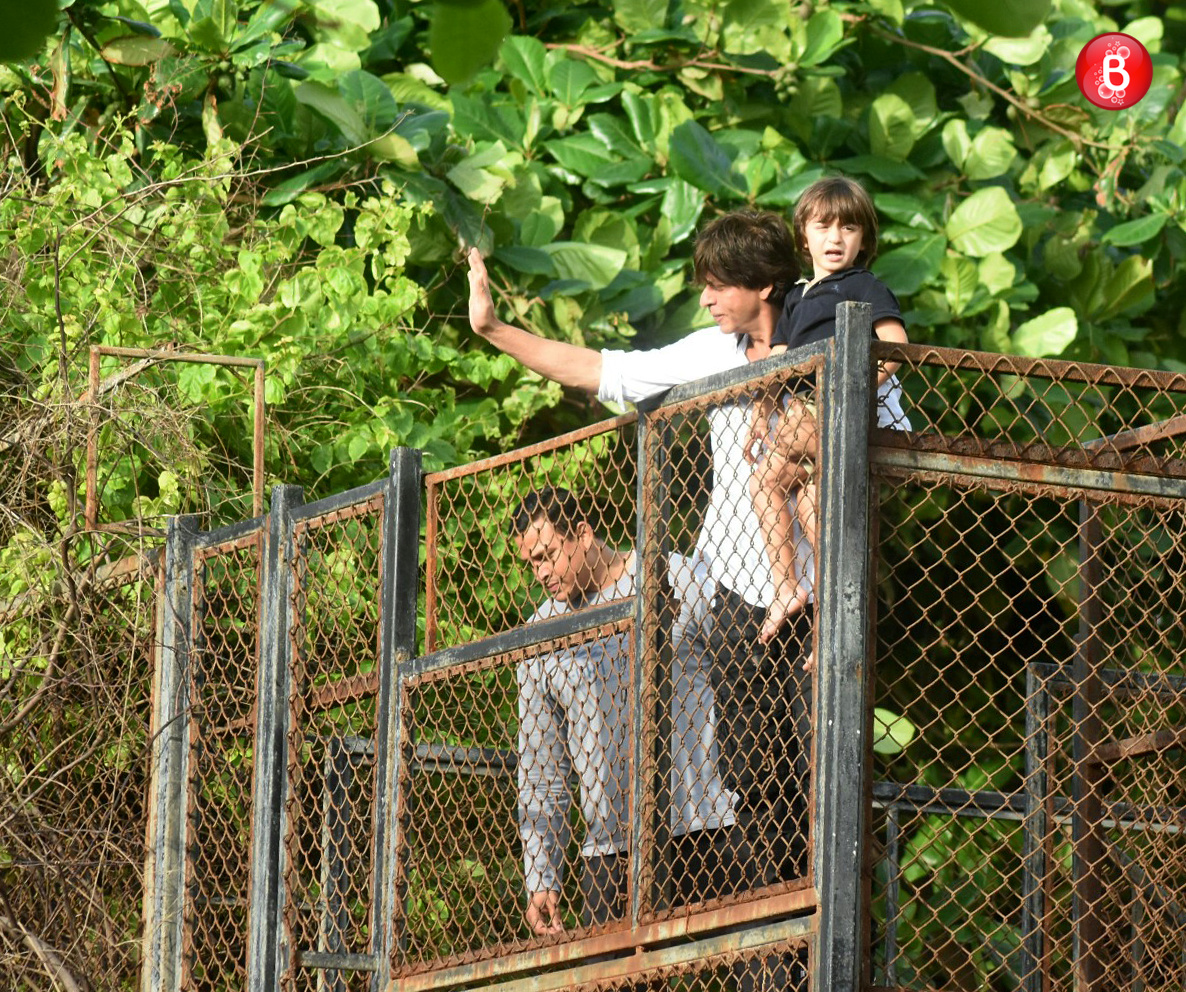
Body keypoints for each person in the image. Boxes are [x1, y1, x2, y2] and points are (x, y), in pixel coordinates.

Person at [468, 209, 906, 890]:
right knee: (748, 779)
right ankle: (775, 914)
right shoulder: (712, 353)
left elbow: (892, 433)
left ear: (763, 285)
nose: (705, 299)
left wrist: (812, 424)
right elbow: (602, 370)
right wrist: (494, 330)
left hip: (823, 595)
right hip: (731, 593)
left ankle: (832, 908)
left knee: (823, 769)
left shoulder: (828, 330)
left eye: (717, 285)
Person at [512, 487, 741, 934]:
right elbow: (542, 769)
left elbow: (739, 680)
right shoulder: (540, 634)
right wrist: (541, 875)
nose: (541, 572)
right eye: (531, 563)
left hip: (703, 822)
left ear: (582, 534)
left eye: (548, 555)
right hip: (609, 849)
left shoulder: (675, 577)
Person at [746, 176, 911, 645]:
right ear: (804, 235)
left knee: (765, 482)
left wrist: (845, 391)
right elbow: (777, 362)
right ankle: (826, 614)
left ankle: (787, 588)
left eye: (849, 228)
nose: (835, 238)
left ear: (864, 240)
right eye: (823, 226)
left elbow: (896, 347)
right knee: (811, 509)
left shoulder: (863, 285)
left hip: (830, 411)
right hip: (800, 413)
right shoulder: (797, 297)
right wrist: (761, 409)